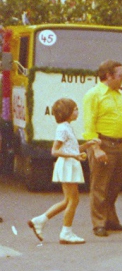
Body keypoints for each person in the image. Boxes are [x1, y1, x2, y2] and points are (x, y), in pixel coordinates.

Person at [28, 98, 97, 244]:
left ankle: (40, 220)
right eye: (75, 109)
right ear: (68, 112)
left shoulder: (67, 127)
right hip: (67, 165)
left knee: (68, 200)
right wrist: (74, 156)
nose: (78, 111)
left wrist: (88, 145)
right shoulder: (63, 128)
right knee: (73, 200)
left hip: (70, 164)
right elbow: (55, 151)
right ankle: (66, 232)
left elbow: (72, 148)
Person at [82, 60, 122, 237]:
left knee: (114, 186)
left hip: (119, 145)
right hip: (104, 144)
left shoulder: (118, 94)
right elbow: (89, 125)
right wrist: (96, 149)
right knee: (100, 186)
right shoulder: (94, 94)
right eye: (120, 75)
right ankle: (99, 223)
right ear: (108, 76)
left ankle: (111, 219)